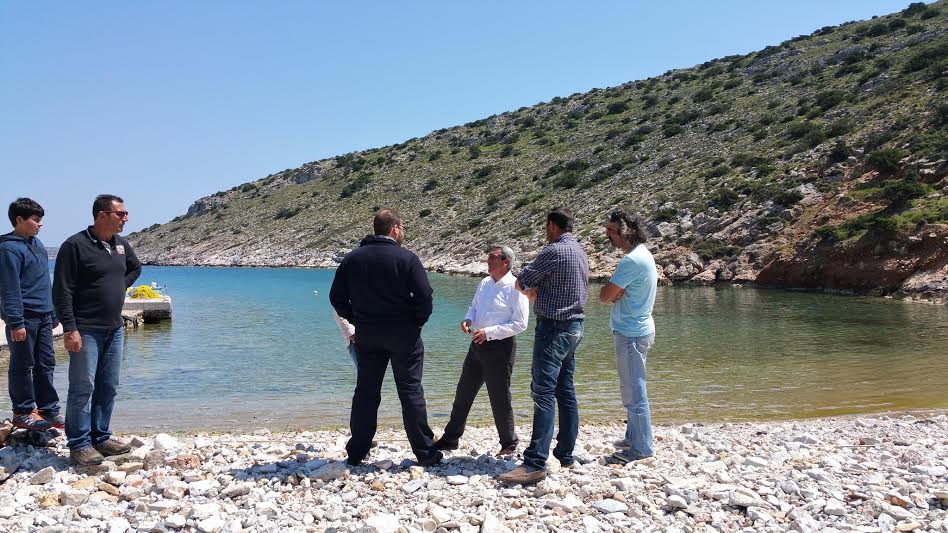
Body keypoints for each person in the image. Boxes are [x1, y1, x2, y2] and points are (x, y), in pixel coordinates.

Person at [329, 208, 441, 467]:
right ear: (394, 229)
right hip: (404, 335)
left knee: (366, 393)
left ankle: (357, 452)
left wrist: (357, 319)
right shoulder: (407, 258)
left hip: (368, 334)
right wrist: (416, 322)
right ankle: (425, 453)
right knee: (410, 392)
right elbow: (424, 297)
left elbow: (336, 298)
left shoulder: (352, 259)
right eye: (402, 228)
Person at [499, 207, 589, 485]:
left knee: (543, 392)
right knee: (565, 389)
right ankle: (565, 454)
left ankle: (535, 462)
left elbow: (521, 281)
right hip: (575, 326)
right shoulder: (580, 251)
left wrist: (533, 291)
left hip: (553, 328)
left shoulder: (554, 251)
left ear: (551, 225)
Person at [53, 194, 141, 466]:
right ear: (101, 215)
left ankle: (101, 437)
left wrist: (119, 285)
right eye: (120, 213)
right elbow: (61, 290)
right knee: (83, 387)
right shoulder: (75, 246)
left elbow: (136, 268)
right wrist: (70, 328)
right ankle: (79, 444)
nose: (125, 218)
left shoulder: (121, 245)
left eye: (125, 213)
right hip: (86, 329)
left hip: (114, 328)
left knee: (108, 386)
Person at [434, 245, 529, 456]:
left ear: (506, 262)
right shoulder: (485, 282)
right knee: (463, 392)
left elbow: (521, 323)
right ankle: (451, 438)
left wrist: (489, 332)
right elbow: (474, 307)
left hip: (500, 348)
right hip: (477, 344)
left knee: (499, 396)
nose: (488, 260)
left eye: (492, 257)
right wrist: (468, 319)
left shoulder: (516, 286)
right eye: (488, 257)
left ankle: (509, 443)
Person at [599, 208, 658, 464]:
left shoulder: (631, 261)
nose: (608, 235)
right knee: (632, 387)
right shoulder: (642, 254)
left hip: (631, 333)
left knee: (634, 391)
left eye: (612, 231)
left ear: (625, 232)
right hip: (638, 329)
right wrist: (616, 293)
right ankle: (634, 436)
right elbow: (613, 294)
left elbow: (604, 296)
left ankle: (642, 448)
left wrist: (613, 293)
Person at [0, 198, 62, 432]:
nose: (40, 224)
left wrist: (53, 312)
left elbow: (44, 281)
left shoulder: (37, 243)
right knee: (23, 364)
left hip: (44, 315)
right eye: (36, 220)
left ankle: (48, 409)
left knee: (46, 363)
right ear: (19, 220)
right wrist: (16, 322)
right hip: (24, 317)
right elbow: (9, 288)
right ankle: (23, 412)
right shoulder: (8, 249)